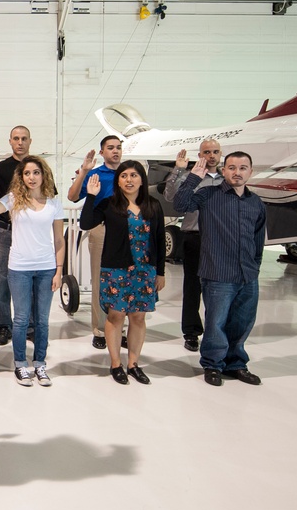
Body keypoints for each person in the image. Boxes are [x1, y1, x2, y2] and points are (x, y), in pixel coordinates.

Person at [173, 151, 266, 387]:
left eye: (243, 168)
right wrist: (193, 177)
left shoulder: (255, 202)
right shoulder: (207, 195)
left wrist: (255, 267)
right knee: (216, 323)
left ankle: (236, 364)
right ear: (224, 171)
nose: (237, 172)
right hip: (218, 274)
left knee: (242, 322)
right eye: (232, 168)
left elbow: (257, 238)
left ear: (250, 172)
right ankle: (213, 364)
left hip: (247, 275)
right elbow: (180, 204)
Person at [80, 161, 165, 385]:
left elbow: (159, 239)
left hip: (145, 270)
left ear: (142, 180)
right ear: (118, 180)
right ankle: (116, 363)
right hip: (116, 269)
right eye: (124, 175)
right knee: (116, 315)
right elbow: (86, 222)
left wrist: (161, 272)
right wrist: (91, 196)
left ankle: (133, 364)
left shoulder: (153, 205)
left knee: (138, 316)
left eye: (134, 175)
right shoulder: (109, 204)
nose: (129, 180)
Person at [0, 155, 65, 387]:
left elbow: (59, 240)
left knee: (43, 320)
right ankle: (20, 364)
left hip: (46, 268)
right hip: (19, 268)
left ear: (43, 175)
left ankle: (40, 364)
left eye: (36, 172)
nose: (32, 177)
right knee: (22, 319)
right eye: (27, 173)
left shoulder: (54, 203)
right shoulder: (13, 199)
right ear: (21, 177)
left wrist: (59, 271)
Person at [163, 140, 223, 352]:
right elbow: (170, 196)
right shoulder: (192, 177)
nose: (212, 156)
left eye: (215, 151)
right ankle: (191, 332)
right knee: (192, 288)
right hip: (195, 237)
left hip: (220, 240)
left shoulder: (227, 179)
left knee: (218, 289)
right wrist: (179, 170)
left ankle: (216, 332)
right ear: (200, 155)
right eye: (207, 152)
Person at [68, 135, 124, 350]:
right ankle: (100, 329)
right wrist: (83, 171)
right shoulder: (95, 174)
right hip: (101, 229)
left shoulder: (128, 173)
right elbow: (73, 196)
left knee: (123, 280)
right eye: (110, 148)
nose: (115, 151)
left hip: (126, 231)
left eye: (118, 147)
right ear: (102, 152)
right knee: (101, 280)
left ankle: (120, 327)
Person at [0, 126, 32, 346]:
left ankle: (30, 325)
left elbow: (49, 196)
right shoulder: (0, 169)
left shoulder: (38, 168)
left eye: (24, 138)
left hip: (32, 234)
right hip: (7, 232)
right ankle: (4, 326)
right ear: (10, 142)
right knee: (3, 280)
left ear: (30, 141)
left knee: (31, 279)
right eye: (16, 138)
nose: (20, 142)